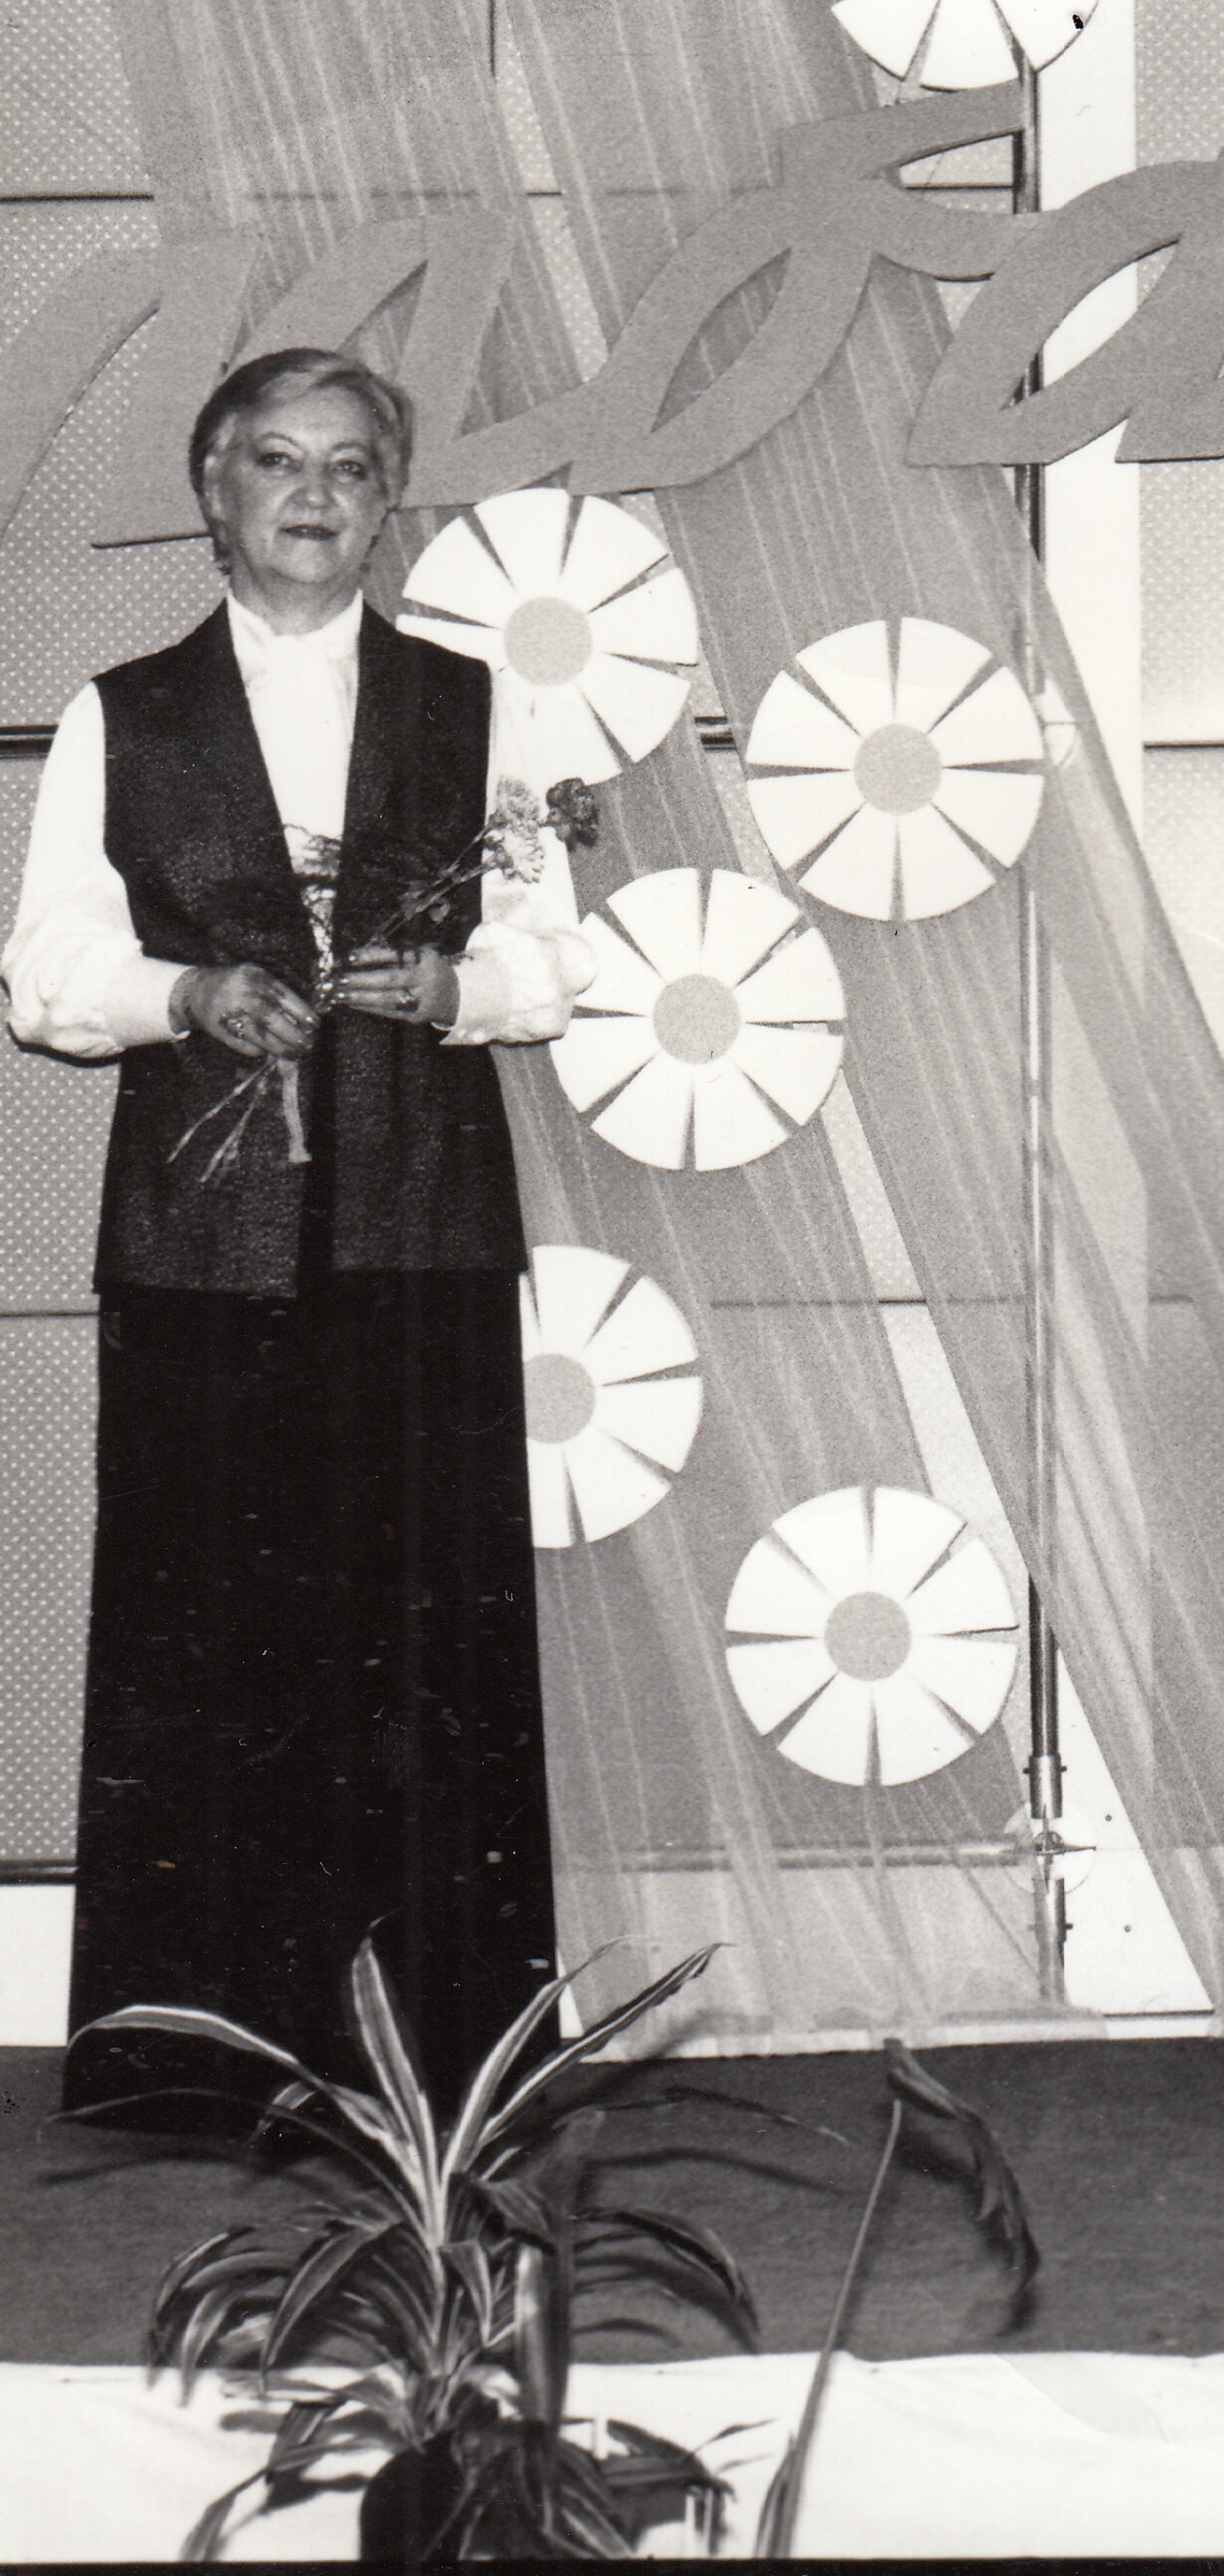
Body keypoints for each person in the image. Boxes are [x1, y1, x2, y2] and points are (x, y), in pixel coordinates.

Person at [4, 348, 591, 2124]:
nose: (314, 494)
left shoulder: (476, 707)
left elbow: (554, 955)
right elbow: (45, 976)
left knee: (429, 1652)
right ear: (215, 488)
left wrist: (460, 988)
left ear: (387, 499)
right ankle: (200, 2068)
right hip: (202, 1246)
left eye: (349, 465)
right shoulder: (124, 711)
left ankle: (445, 2072)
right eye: (277, 460)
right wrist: (187, 993)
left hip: (422, 1233)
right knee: (205, 1650)